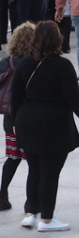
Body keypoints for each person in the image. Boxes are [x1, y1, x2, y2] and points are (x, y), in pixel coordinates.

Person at [11, 21, 79, 232]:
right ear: (57, 39)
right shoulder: (62, 66)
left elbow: (15, 98)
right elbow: (75, 99)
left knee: (34, 168)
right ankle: (47, 219)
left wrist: (15, 123)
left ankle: (31, 213)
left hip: (27, 122)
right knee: (50, 171)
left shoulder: (24, 64)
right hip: (53, 124)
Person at [0, 22, 35, 211]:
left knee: (13, 157)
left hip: (10, 118)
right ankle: (31, 201)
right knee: (33, 161)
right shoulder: (34, 63)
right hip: (29, 118)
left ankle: (2, 194)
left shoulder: (7, 62)